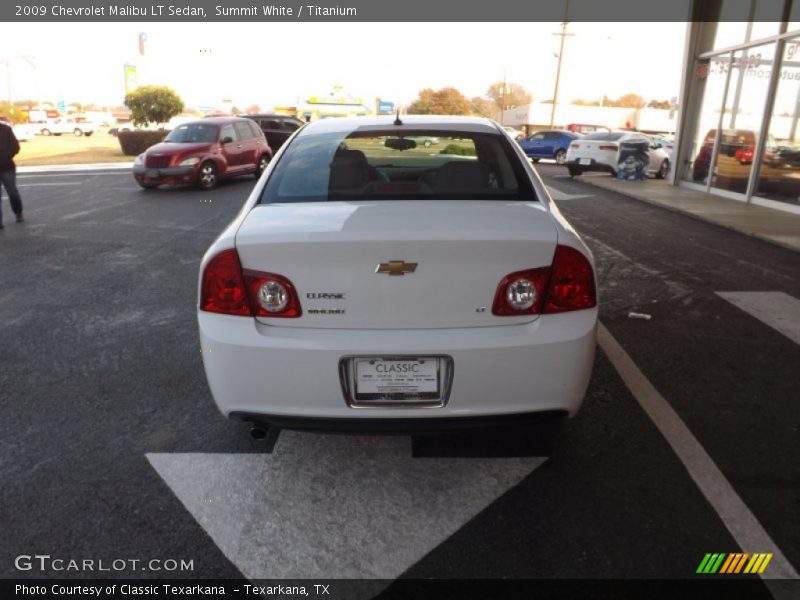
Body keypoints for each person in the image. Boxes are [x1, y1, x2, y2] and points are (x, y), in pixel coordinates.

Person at [0, 120, 24, 230]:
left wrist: (5, 158)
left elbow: (15, 147)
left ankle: (18, 212)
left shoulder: (6, 129)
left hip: (7, 167)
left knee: (12, 192)